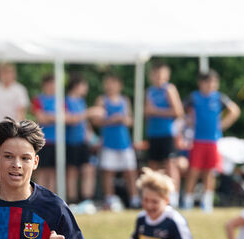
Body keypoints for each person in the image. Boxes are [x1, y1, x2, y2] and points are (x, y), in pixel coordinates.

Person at [183, 70, 240, 212]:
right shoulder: (194, 97)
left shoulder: (219, 98)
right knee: (194, 171)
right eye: (207, 82)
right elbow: (181, 111)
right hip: (197, 140)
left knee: (210, 172)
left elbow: (234, 110)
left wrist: (223, 124)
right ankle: (187, 201)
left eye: (214, 82)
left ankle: (207, 202)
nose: (210, 85)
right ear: (200, 83)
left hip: (213, 141)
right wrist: (188, 122)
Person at [93, 74, 138, 209]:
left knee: (130, 171)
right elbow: (96, 121)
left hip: (124, 142)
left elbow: (130, 120)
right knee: (108, 171)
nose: (110, 86)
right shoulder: (101, 100)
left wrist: (123, 119)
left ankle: (134, 199)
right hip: (108, 142)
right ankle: (109, 199)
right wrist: (111, 120)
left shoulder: (125, 100)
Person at [144, 63, 184, 187]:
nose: (158, 77)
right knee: (153, 165)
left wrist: (156, 111)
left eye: (161, 74)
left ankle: (174, 197)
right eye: (156, 74)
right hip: (153, 133)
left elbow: (178, 112)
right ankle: (154, 192)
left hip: (167, 133)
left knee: (170, 164)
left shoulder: (169, 89)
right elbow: (146, 112)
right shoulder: (149, 91)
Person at [64, 74, 96, 203]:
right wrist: (89, 113)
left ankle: (87, 199)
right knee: (72, 171)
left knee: (88, 169)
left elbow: (85, 123)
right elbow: (69, 119)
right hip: (70, 141)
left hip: (83, 142)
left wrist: (93, 137)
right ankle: (72, 200)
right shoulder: (65, 101)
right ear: (76, 86)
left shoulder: (81, 101)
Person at [0, 63, 30, 137]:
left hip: (13, 128)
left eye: (9, 72)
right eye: (3, 72)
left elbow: (21, 111)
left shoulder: (20, 89)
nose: (6, 75)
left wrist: (16, 128)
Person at [31, 74, 58, 193]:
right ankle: (39, 195)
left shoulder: (60, 99)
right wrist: (55, 117)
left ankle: (50, 197)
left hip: (58, 141)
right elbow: (41, 118)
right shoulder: (38, 99)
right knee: (41, 170)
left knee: (53, 171)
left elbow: (67, 118)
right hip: (42, 140)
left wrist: (49, 116)